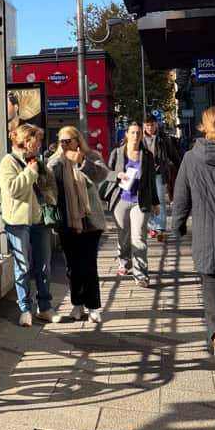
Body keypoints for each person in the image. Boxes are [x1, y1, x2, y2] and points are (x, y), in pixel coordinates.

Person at [172, 106, 215, 367]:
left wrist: (177, 228)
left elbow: (180, 200)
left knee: (213, 292)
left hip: (207, 239)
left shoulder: (191, 158)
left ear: (205, 126)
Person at [48, 126, 114, 323]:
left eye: (68, 141)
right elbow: (49, 185)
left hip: (90, 220)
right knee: (72, 266)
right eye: (62, 141)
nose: (65, 145)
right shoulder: (55, 162)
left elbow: (102, 175)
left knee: (89, 265)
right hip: (67, 220)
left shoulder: (91, 156)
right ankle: (77, 304)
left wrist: (82, 162)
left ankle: (93, 306)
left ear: (77, 141)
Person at [0, 123, 60, 327]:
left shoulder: (36, 161)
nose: (40, 143)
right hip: (18, 221)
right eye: (38, 140)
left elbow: (48, 185)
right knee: (22, 265)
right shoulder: (8, 161)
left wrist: (48, 196)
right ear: (26, 141)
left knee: (44, 265)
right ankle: (25, 309)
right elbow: (12, 189)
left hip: (39, 219)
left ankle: (45, 308)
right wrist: (30, 173)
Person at [109, 122, 159, 286]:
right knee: (123, 235)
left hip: (140, 201)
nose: (136, 136)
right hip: (121, 200)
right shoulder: (117, 153)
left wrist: (155, 202)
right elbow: (106, 173)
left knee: (139, 237)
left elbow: (151, 181)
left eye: (138, 133)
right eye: (133, 133)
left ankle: (141, 275)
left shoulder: (147, 156)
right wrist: (118, 175)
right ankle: (124, 261)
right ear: (126, 134)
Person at [142, 113, 183, 241]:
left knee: (159, 200)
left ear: (156, 125)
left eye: (152, 125)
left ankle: (159, 227)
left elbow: (172, 153)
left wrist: (181, 166)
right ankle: (151, 227)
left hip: (159, 172)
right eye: (147, 125)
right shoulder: (139, 138)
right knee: (146, 200)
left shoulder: (163, 138)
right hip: (144, 173)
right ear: (144, 126)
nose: (150, 128)